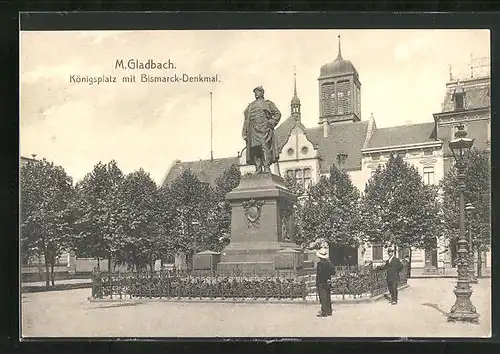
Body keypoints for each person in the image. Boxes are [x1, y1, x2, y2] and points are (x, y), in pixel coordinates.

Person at [242, 86, 281, 173]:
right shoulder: (250, 106)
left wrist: (270, 122)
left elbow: (277, 114)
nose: (256, 93)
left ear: (262, 93)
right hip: (253, 130)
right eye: (255, 91)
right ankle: (258, 168)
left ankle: (266, 167)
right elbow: (246, 120)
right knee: (255, 149)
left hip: (264, 130)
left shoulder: (268, 103)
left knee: (265, 147)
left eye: (258, 91)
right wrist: (244, 132)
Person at [316, 248, 335, 317]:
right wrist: (328, 277)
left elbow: (320, 274)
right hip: (328, 281)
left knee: (322, 297)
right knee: (327, 296)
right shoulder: (329, 263)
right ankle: (329, 311)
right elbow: (333, 272)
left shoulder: (320, 264)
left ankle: (324, 312)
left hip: (321, 282)